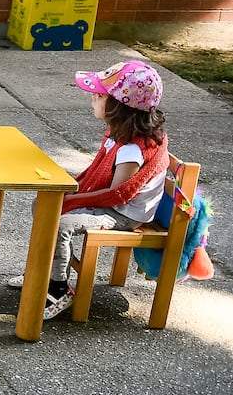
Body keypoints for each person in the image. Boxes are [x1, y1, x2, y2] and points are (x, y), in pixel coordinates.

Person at [12, 59, 168, 319]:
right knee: (44, 204)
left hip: (124, 214)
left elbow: (117, 194)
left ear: (119, 107)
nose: (93, 99)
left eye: (99, 96)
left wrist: (74, 199)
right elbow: (98, 175)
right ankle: (44, 270)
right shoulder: (119, 134)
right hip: (114, 202)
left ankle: (58, 289)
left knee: (61, 224)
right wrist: (70, 191)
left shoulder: (132, 150)